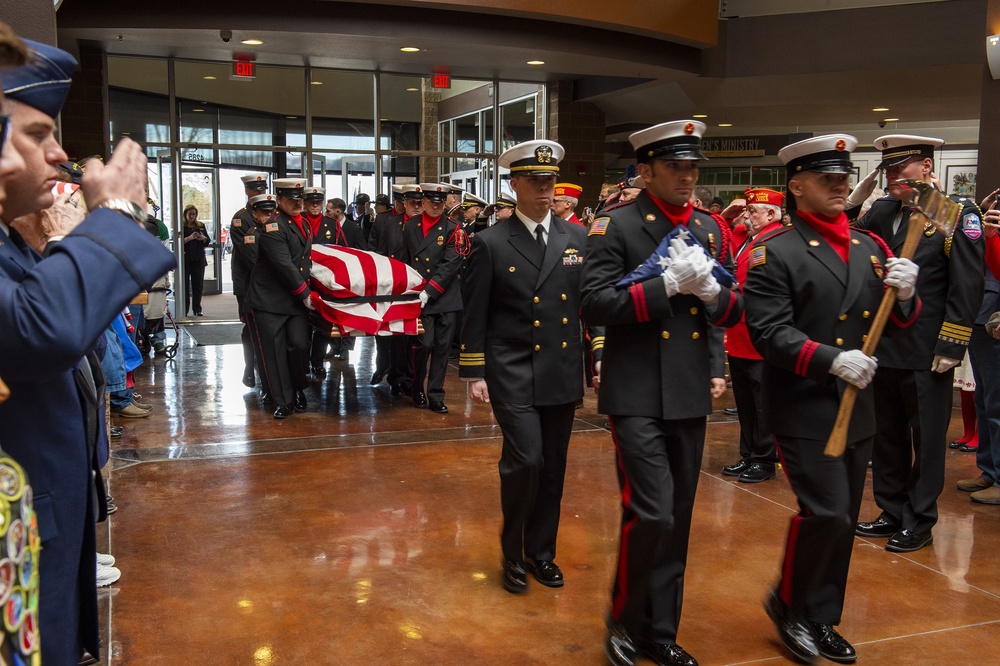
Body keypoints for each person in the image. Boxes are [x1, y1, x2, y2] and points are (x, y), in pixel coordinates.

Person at [0, 33, 175, 666]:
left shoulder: (14, 245)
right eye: (38, 132)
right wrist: (118, 211)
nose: (61, 153)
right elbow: (39, 330)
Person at [743, 134, 920, 664]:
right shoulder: (773, 251)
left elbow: (897, 323)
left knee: (842, 518)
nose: (840, 186)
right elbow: (768, 332)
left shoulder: (870, 247)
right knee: (828, 514)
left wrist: (908, 296)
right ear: (797, 186)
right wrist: (828, 358)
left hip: (857, 403)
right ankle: (792, 606)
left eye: (844, 178)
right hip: (804, 401)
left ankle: (819, 615)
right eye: (827, 179)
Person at [581, 120, 743, 666]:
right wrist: (665, 286)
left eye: (693, 168)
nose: (687, 177)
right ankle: (625, 619)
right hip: (636, 392)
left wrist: (712, 291)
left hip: (688, 390)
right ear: (646, 171)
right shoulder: (617, 227)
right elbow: (595, 304)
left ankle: (661, 630)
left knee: (678, 515)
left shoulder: (710, 228)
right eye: (676, 167)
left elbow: (729, 312)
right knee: (650, 512)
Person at [460, 139, 591, 597]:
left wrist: (599, 355)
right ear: (514, 184)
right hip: (511, 367)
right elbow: (474, 312)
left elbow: (588, 303)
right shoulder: (490, 242)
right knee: (526, 460)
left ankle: (542, 552)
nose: (544, 190)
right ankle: (512, 552)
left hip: (560, 367)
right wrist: (475, 371)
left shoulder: (576, 238)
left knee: (553, 466)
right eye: (534, 181)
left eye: (550, 181)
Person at [853, 135, 983, 552]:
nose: (893, 175)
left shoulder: (952, 212)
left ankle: (920, 518)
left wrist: (952, 345)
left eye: (901, 167)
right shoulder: (883, 210)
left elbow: (966, 284)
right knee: (885, 434)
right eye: (887, 169)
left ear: (926, 166)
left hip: (927, 347)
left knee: (925, 439)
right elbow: (850, 238)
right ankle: (890, 509)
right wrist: (859, 197)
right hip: (881, 343)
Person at [721, 187, 785, 483]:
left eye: (753, 211)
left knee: (763, 403)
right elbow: (726, 245)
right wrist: (726, 217)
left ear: (771, 214)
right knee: (745, 402)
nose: (746, 216)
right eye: (747, 211)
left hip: (760, 336)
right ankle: (748, 453)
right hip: (739, 333)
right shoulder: (749, 239)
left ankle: (765, 458)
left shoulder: (778, 239)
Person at [247, 178, 314, 419]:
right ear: (279, 200)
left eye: (300, 200)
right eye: (291, 200)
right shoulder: (273, 227)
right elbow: (284, 266)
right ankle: (283, 400)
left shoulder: (303, 223)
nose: (297, 204)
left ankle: (297, 388)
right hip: (271, 302)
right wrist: (306, 294)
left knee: (298, 346)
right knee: (274, 353)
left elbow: (305, 261)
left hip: (294, 301)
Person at [400, 183, 465, 413]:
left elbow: (451, 264)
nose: (436, 207)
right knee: (422, 345)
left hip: (443, 297)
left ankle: (436, 393)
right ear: (423, 202)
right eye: (431, 202)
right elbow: (406, 258)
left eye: (440, 203)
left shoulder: (454, 229)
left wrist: (430, 291)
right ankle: (417, 387)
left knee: (442, 348)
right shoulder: (410, 226)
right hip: (419, 296)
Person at [308, 190, 365, 371]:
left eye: (319, 201)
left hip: (324, 280)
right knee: (302, 327)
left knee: (323, 324)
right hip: (301, 280)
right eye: (311, 201)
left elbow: (343, 251)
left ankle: (317, 362)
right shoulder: (298, 222)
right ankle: (302, 363)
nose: (316, 205)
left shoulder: (331, 225)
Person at [229, 172, 269, 388]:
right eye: (255, 189)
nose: (260, 192)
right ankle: (249, 366)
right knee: (251, 327)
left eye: (262, 189)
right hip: (248, 282)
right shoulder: (240, 219)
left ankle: (264, 367)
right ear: (247, 191)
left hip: (270, 283)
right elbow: (249, 257)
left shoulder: (273, 215)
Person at [181, 204, 210, 316]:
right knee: (185, 286)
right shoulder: (182, 226)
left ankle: (197, 309)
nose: (192, 216)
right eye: (189, 214)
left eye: (194, 214)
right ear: (185, 214)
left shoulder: (200, 226)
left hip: (198, 259)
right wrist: (190, 238)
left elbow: (207, 241)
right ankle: (184, 309)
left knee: (198, 285)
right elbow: (178, 242)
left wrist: (203, 238)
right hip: (186, 259)